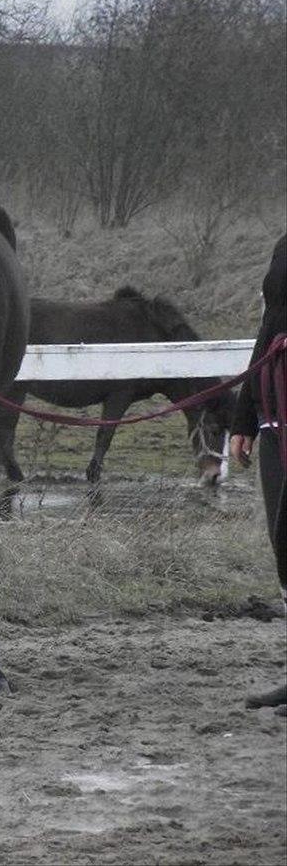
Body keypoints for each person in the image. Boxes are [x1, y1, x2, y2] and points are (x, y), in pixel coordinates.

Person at [230, 233, 286, 717]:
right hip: (277, 415)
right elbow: (268, 329)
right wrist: (244, 419)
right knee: (284, 542)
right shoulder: (284, 247)